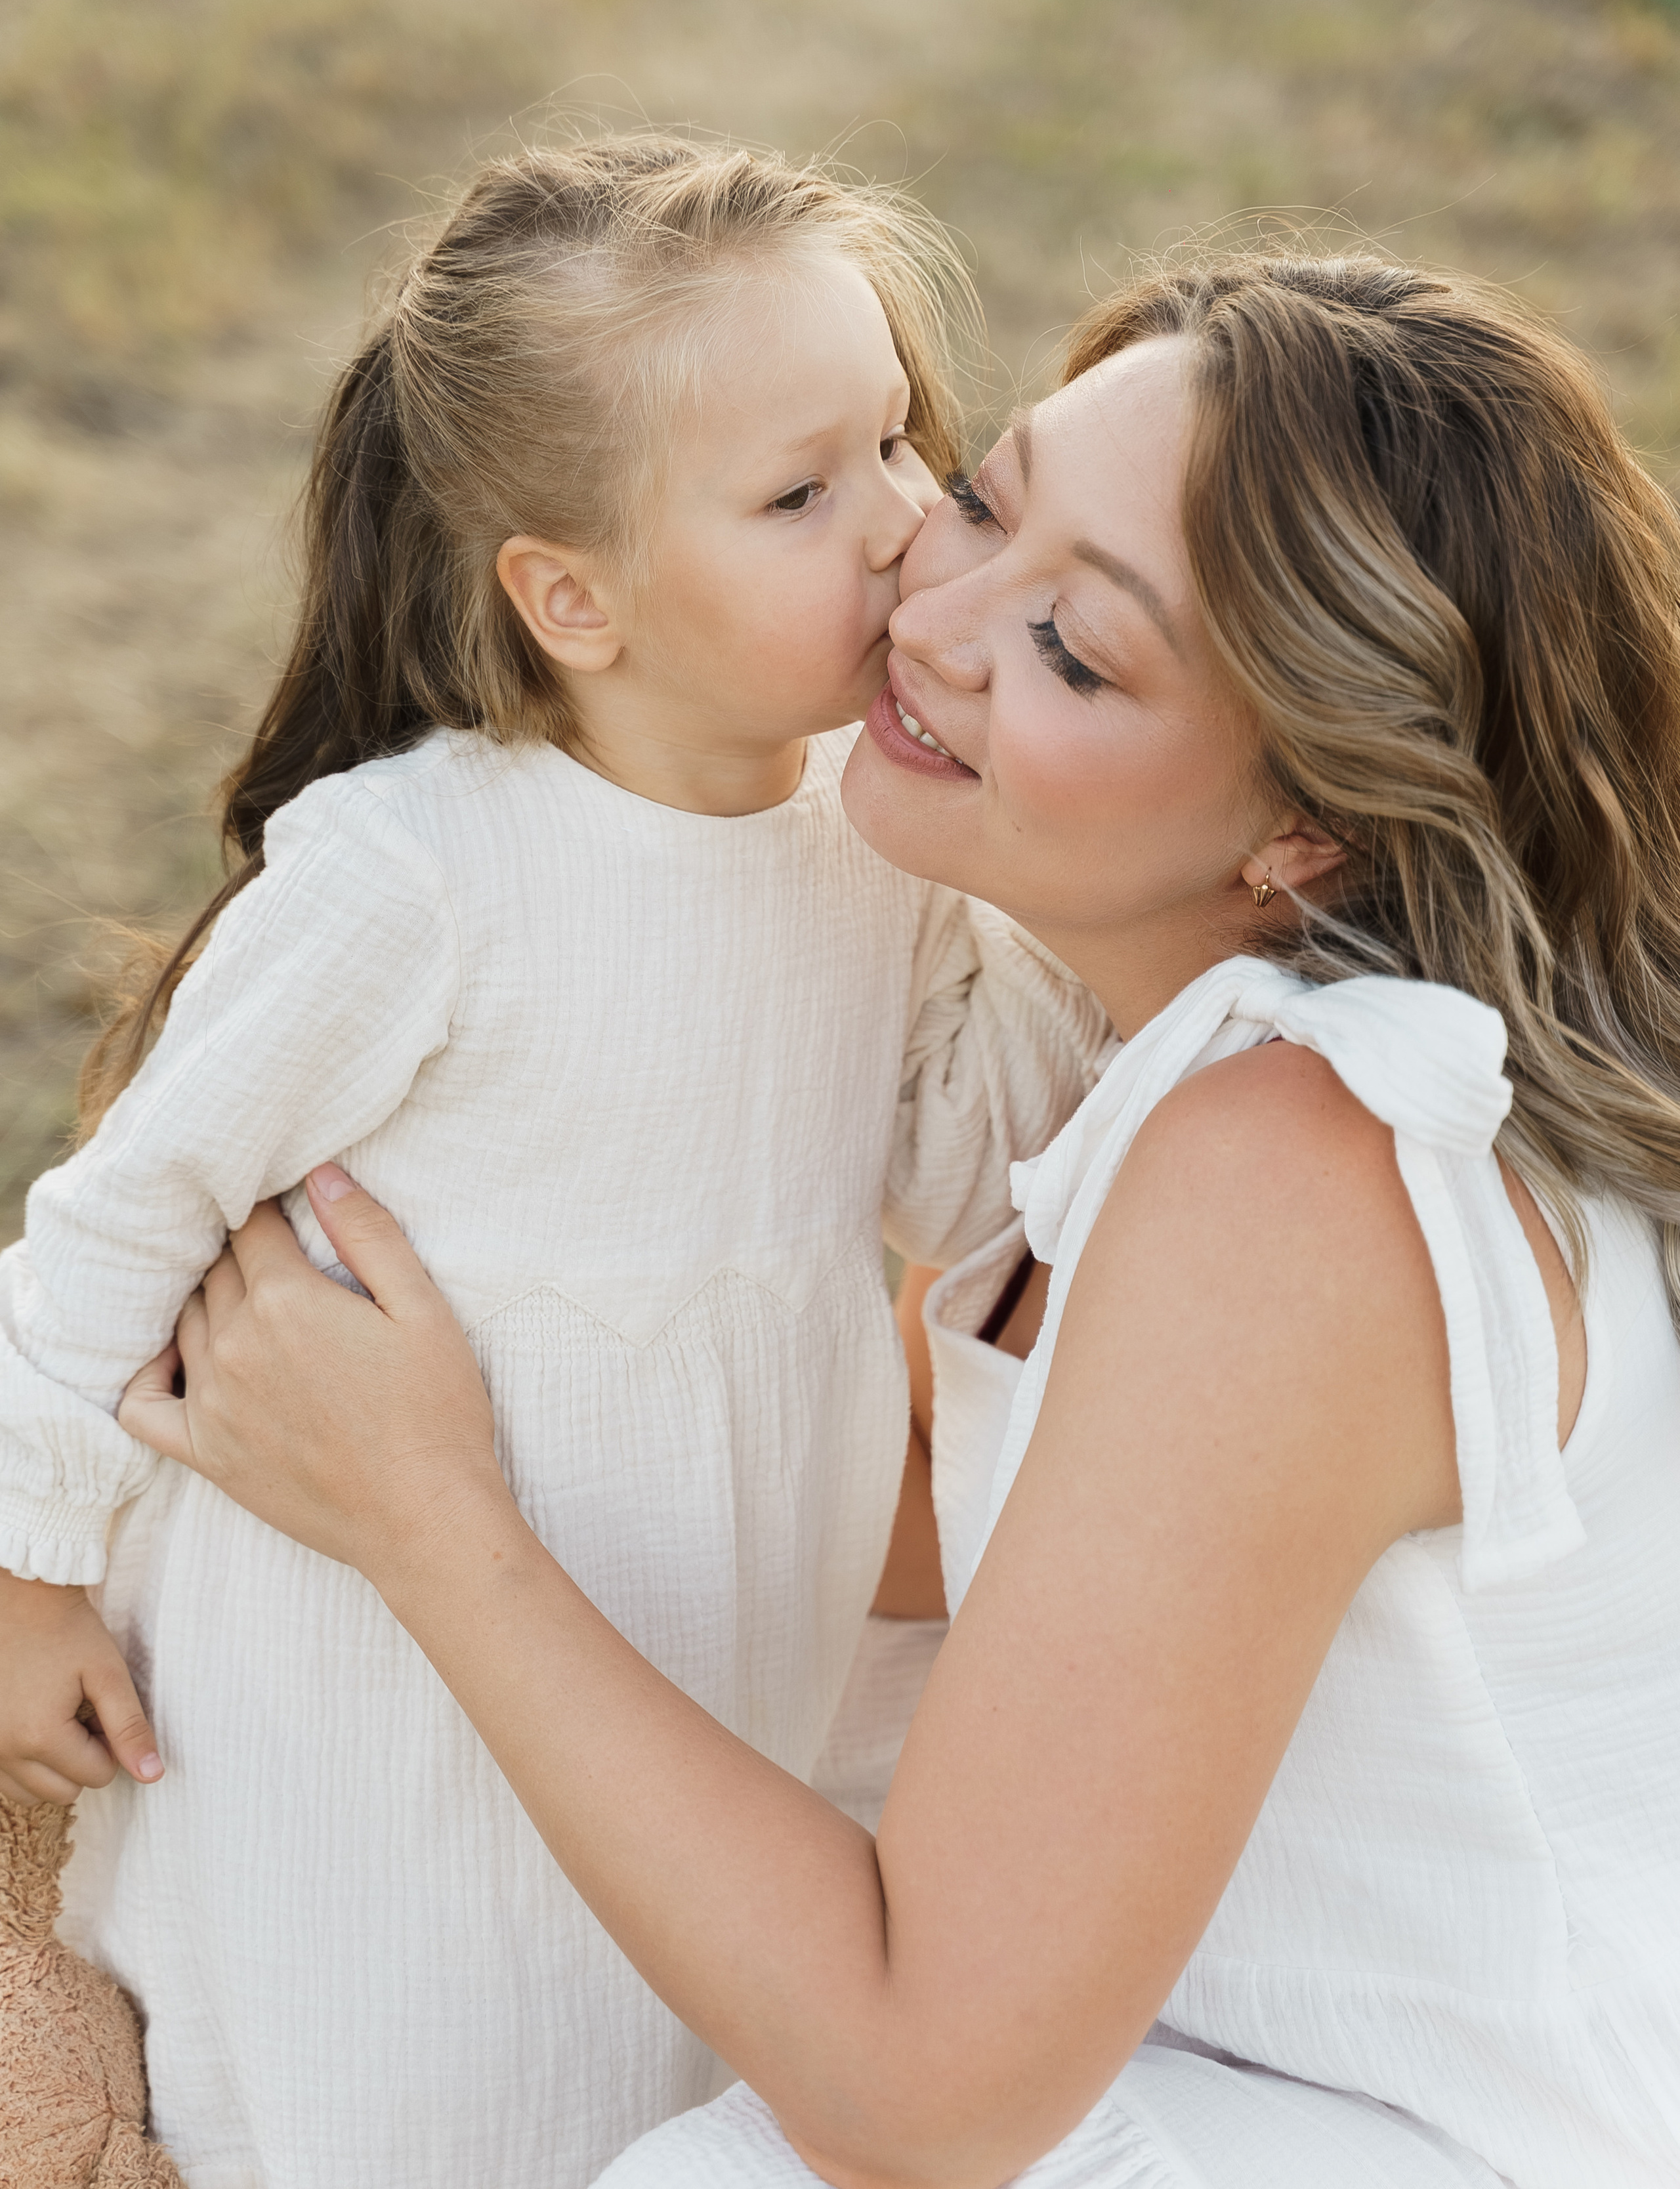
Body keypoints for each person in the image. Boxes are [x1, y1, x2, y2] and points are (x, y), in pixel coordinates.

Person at [121, 252, 1680, 2189]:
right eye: (985, 501)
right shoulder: (1137, 1066)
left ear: (1313, 831)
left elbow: (925, 2093)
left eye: (1080, 654)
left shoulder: (1298, 1178)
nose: (934, 623)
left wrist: (425, 1516)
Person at [0, 137, 1109, 2188]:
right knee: (394, 2088)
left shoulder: (876, 839)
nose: (892, 528)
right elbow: (124, 1215)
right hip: (362, 1672)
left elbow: (989, 1189)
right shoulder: (423, 871)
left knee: (667, 2069)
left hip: (707, 1622)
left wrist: (1047, 873)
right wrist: (26, 1566)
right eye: (798, 494)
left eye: (901, 444)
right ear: (571, 598)